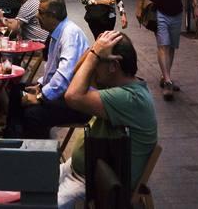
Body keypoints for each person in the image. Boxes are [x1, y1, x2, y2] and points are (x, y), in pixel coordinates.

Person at [59, 30, 158, 208]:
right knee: (29, 182)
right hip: (78, 170)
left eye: (98, 63)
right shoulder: (117, 84)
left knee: (36, 202)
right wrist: (94, 51)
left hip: (94, 182)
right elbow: (77, 75)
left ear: (113, 65)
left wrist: (95, 54)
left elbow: (72, 96)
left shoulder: (130, 98)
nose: (93, 67)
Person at [20, 0, 90, 138]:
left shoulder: (70, 34)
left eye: (40, 12)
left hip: (76, 103)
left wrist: (40, 97)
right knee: (17, 92)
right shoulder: (57, 32)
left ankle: (42, 155)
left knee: (31, 114)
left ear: (52, 15)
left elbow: (64, 76)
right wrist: (39, 86)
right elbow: (52, 69)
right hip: (64, 95)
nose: (37, 16)